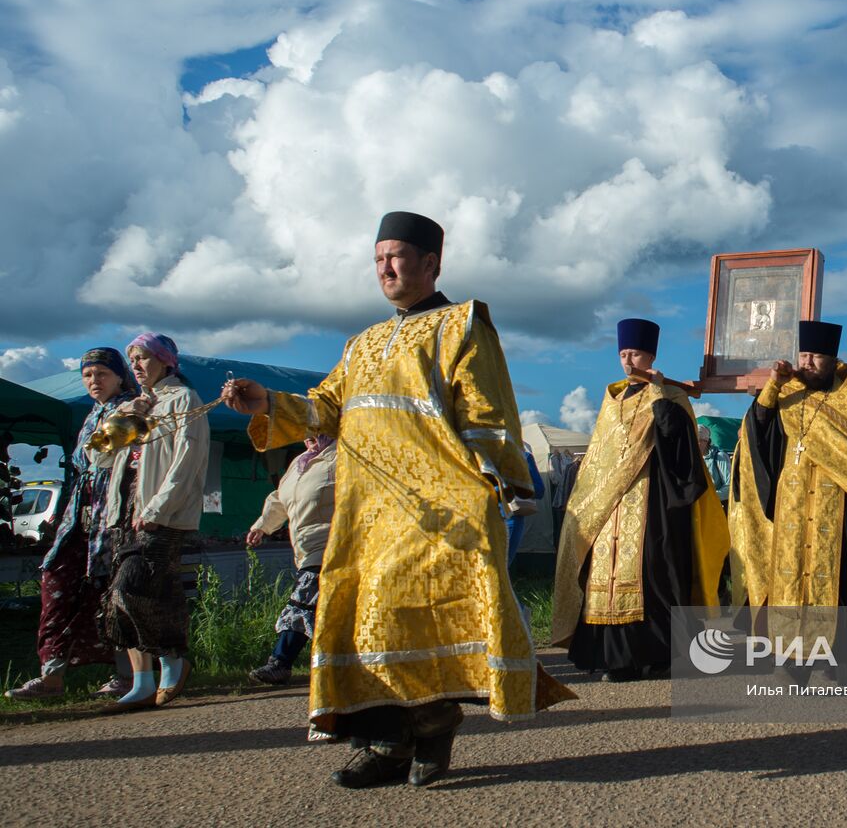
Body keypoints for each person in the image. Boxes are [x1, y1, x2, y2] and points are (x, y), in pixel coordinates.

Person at [222, 211, 573, 789]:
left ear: (431, 263)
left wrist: (501, 486)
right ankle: (393, 737)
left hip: (441, 506)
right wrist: (265, 402)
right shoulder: (360, 344)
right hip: (365, 512)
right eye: (378, 257)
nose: (385, 268)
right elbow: (323, 409)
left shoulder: (462, 326)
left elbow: (487, 413)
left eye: (397, 257)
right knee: (365, 617)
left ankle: (427, 723)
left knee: (416, 618)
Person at [551, 319, 728, 682]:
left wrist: (662, 396)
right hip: (608, 508)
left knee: (653, 576)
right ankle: (615, 658)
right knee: (605, 579)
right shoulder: (611, 399)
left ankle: (656, 655)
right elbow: (600, 459)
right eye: (622, 353)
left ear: (651, 355)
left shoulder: (671, 395)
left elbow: (680, 451)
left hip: (654, 504)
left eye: (634, 353)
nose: (627, 359)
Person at [731, 321, 847, 663]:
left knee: (842, 586)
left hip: (839, 510)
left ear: (832, 359)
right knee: (789, 582)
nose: (808, 362)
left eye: (816, 356)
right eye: (804, 355)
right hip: (791, 508)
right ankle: (791, 659)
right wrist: (772, 386)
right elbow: (758, 433)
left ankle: (842, 661)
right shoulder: (787, 395)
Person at [6, 349, 137, 701]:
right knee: (57, 583)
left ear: (120, 376)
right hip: (80, 516)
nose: (94, 381)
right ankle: (51, 677)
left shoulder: (133, 410)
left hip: (114, 517)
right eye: (88, 375)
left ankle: (128, 675)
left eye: (102, 374)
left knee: (112, 593)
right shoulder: (94, 414)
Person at [98, 333, 209, 711]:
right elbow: (100, 457)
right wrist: (129, 417)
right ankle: (146, 680)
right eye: (133, 359)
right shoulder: (135, 406)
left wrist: (159, 509)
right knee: (143, 597)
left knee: (131, 590)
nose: (137, 366)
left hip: (160, 515)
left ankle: (172, 663)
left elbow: (186, 462)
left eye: (143, 357)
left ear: (165, 361)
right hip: (124, 514)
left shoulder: (184, 400)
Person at [245, 435, 337, 686]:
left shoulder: (343, 456)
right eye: (306, 433)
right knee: (326, 611)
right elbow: (279, 498)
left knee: (302, 601)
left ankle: (280, 662)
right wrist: (262, 526)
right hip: (305, 550)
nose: (310, 437)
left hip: (332, 546)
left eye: (317, 431)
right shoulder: (299, 462)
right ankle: (338, 664)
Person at [699, 424, 732, 506]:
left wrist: (709, 497)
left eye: (697, 440)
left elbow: (729, 487)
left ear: (706, 441)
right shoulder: (694, 458)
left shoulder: (720, 456)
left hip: (717, 508)